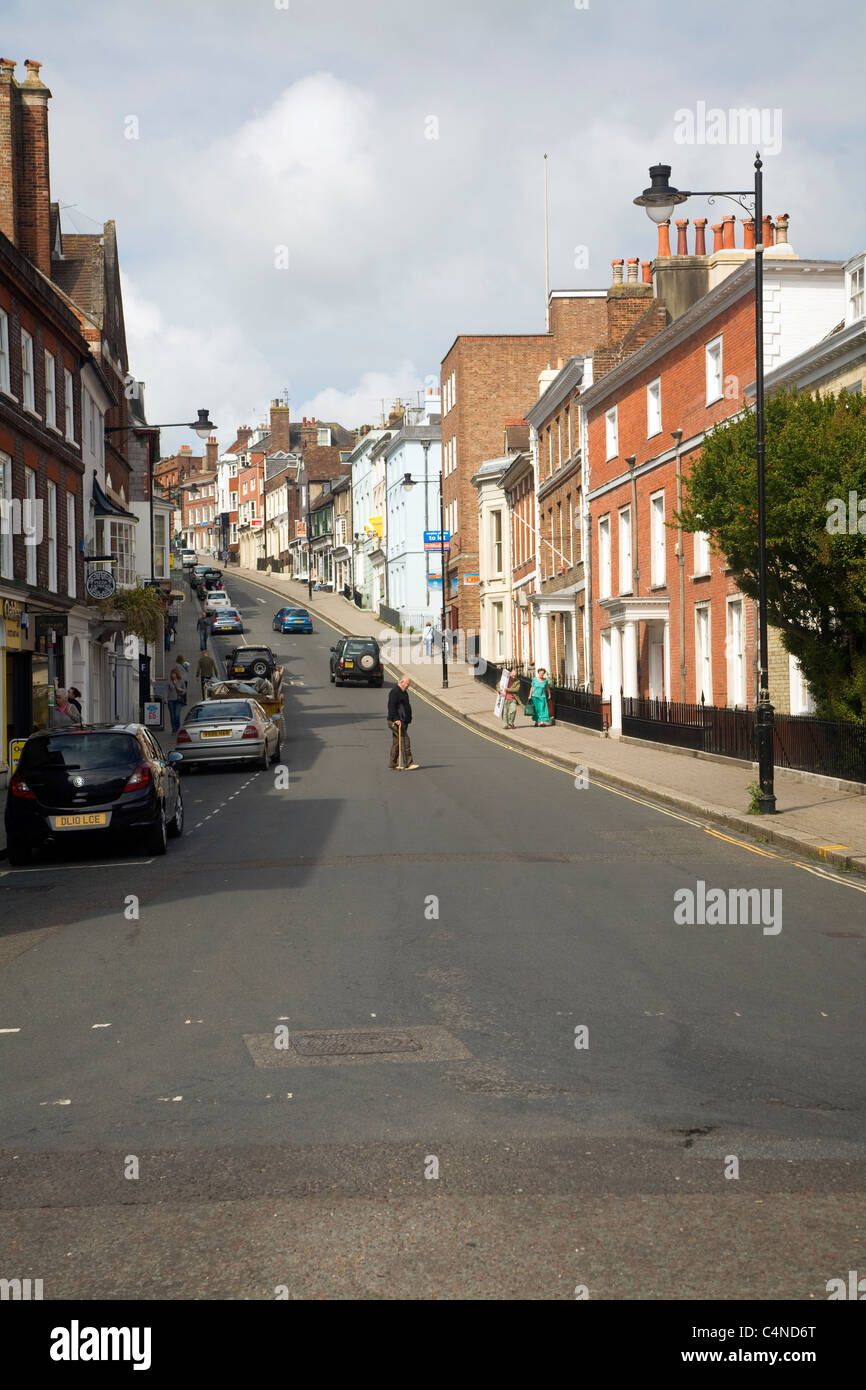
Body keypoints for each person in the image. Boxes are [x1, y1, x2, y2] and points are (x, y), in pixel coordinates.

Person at [387, 675, 418, 770]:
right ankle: (408, 763)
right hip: (396, 722)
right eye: (407, 683)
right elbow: (391, 706)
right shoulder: (395, 692)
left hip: (402, 721)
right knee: (405, 740)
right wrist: (396, 719)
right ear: (401, 682)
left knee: (397, 742)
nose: (408, 685)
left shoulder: (403, 692)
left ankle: (393, 764)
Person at [166, 666, 185, 734]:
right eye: (172, 674)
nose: (173, 675)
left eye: (174, 674)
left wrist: (181, 690)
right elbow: (167, 690)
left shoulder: (181, 680)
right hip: (170, 700)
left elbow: (185, 690)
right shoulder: (169, 681)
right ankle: (173, 729)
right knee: (172, 715)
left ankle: (177, 726)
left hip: (178, 700)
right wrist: (165, 699)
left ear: (177, 674)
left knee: (177, 715)